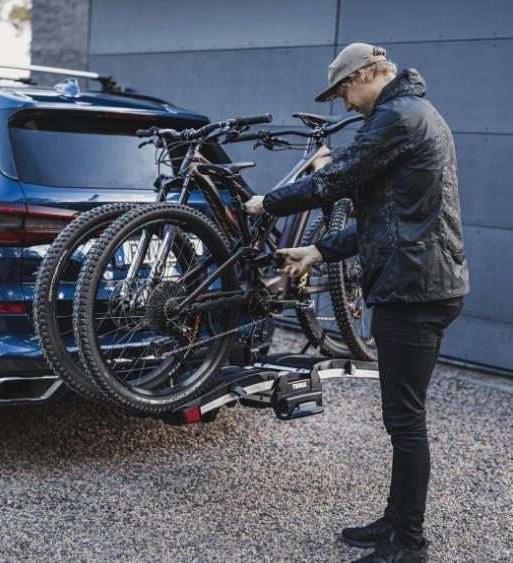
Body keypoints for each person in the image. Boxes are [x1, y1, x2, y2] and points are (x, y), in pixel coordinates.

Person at [245, 43, 469, 563]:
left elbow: (335, 181)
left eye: (345, 89)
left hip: (415, 290)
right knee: (402, 418)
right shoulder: (414, 113)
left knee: (406, 421)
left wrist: (269, 201)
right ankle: (395, 523)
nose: (344, 104)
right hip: (425, 280)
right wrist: (317, 250)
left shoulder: (398, 117)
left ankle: (409, 544)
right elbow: (387, 220)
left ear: (370, 73)